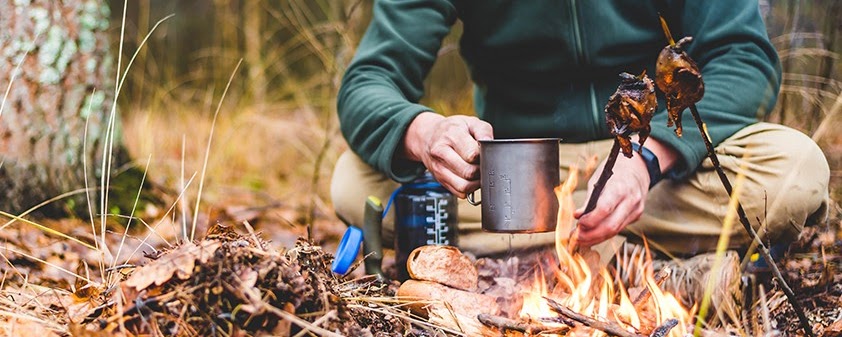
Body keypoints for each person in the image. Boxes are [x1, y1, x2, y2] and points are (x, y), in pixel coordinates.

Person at [330, 0, 829, 262]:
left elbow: (744, 58)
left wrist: (649, 156)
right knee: (357, 183)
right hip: (523, 178)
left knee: (794, 170)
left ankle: (540, 257)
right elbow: (370, 79)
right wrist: (424, 131)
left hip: (661, 173)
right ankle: (649, 259)